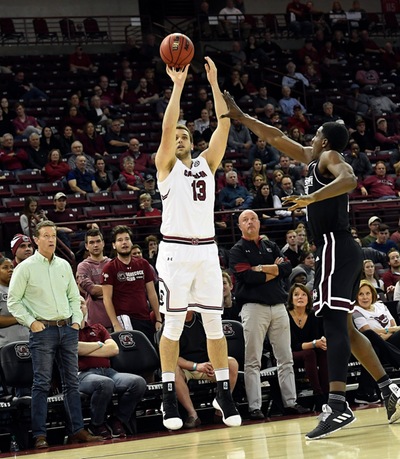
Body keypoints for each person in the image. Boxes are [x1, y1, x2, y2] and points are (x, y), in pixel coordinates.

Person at [221, 93, 400, 440]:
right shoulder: (312, 159)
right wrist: (241, 117)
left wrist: (311, 198)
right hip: (338, 248)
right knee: (345, 326)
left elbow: (349, 178)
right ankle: (387, 387)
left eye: (316, 133)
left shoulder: (331, 156)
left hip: (335, 244)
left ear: (325, 139)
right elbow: (275, 136)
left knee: (333, 323)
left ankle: (337, 404)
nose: (311, 138)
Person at [155, 58, 241, 431]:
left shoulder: (207, 163)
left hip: (206, 250)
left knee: (214, 324)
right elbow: (167, 126)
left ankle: (224, 393)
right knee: (172, 328)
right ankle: (167, 397)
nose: (178, 140)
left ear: (193, 143)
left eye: (185, 137)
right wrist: (177, 87)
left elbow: (224, 124)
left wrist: (215, 83)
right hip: (174, 251)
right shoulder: (165, 166)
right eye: (175, 137)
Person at [7, 220, 102, 449]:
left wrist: (77, 322)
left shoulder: (64, 265)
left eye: (53, 236)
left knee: (72, 381)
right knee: (41, 383)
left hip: (67, 328)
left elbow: (73, 296)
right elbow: (13, 301)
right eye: (46, 236)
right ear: (36, 240)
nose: (51, 239)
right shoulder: (25, 267)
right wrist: (31, 323)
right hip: (43, 331)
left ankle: (77, 430)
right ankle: (40, 434)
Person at [229, 210, 310, 420]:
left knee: (285, 357)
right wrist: (273, 271)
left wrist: (263, 269)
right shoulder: (237, 250)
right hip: (253, 308)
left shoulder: (270, 244)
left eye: (253, 219)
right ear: (240, 226)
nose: (250, 222)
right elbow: (247, 277)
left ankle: (290, 403)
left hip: (279, 306)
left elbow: (286, 268)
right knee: (252, 359)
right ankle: (255, 407)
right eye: (245, 220)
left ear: (258, 223)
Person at [77, 301, 146, 439]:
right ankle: (96, 424)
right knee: (104, 383)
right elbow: (74, 348)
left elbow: (113, 349)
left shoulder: (98, 328)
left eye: (82, 303)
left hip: (109, 372)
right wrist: (99, 345)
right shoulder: (67, 331)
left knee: (138, 382)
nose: (80, 306)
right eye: (75, 303)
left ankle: (117, 420)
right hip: (84, 375)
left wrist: (85, 350)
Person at [173, 310, 239, 428]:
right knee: (172, 370)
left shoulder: (204, 319)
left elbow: (217, 344)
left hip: (207, 365)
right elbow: (171, 357)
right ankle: (192, 414)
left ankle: (221, 407)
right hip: (186, 369)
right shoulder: (171, 323)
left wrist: (213, 362)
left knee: (232, 363)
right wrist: (196, 366)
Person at [102, 225, 162, 344]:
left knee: (151, 356)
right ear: (114, 245)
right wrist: (116, 324)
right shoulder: (109, 268)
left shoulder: (143, 264)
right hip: (124, 320)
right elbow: (107, 299)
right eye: (120, 240)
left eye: (127, 239)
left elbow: (152, 293)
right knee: (133, 359)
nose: (124, 243)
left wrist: (158, 319)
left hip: (145, 318)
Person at [353, 280, 400, 403]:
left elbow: (394, 325)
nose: (365, 297)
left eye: (367, 293)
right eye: (361, 294)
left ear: (372, 294)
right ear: (356, 296)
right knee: (373, 343)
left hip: (387, 341)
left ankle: (364, 392)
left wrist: (384, 332)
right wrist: (390, 330)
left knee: (378, 346)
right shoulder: (355, 311)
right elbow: (369, 333)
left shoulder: (381, 305)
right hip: (370, 343)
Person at [288, 283, 329, 411]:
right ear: (291, 299)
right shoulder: (285, 316)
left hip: (311, 352)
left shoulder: (313, 315)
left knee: (323, 351)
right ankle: (318, 395)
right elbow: (292, 345)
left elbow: (320, 336)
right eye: (296, 295)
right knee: (310, 353)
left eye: (303, 294)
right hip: (290, 354)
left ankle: (327, 396)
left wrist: (323, 341)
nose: (300, 297)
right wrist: (314, 343)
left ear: (308, 298)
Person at [76, 229, 112, 328]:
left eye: (98, 241)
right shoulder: (83, 266)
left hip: (116, 319)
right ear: (86, 246)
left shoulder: (112, 263)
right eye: (91, 242)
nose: (95, 245)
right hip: (95, 321)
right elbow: (92, 290)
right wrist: (112, 290)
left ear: (103, 243)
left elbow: (122, 288)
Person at [0, 257, 29, 348]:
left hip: (28, 342)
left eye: (12, 267)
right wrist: (20, 318)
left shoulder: (21, 289)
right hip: (5, 346)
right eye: (5, 267)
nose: (10, 270)